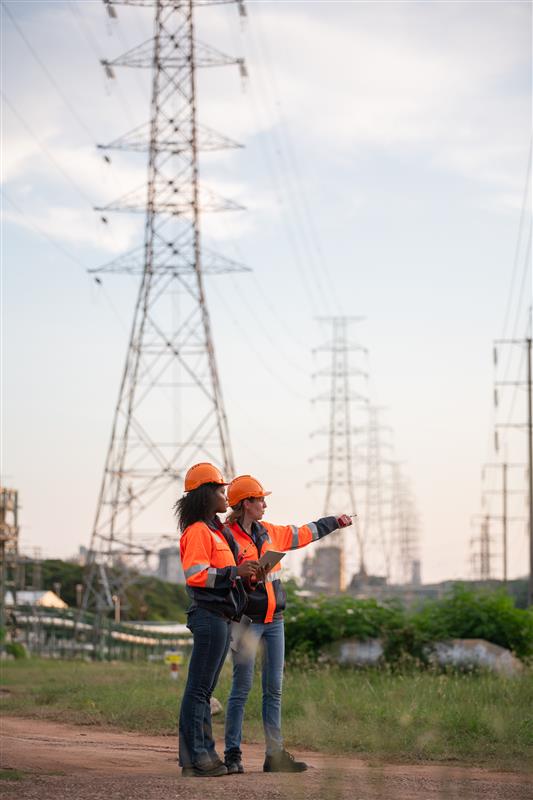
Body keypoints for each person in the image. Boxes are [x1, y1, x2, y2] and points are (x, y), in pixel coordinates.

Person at [223, 474, 352, 774]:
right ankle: (232, 755)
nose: (265, 504)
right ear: (245, 504)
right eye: (259, 500)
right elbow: (222, 574)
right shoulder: (226, 538)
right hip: (243, 622)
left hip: (274, 622)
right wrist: (241, 574)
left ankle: (275, 756)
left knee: (274, 690)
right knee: (241, 689)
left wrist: (334, 521)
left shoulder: (268, 532)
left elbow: (303, 533)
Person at [176, 463, 260, 778]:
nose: (226, 497)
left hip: (221, 617)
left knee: (204, 689)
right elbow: (197, 575)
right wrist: (233, 572)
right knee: (199, 690)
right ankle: (197, 758)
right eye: (222, 491)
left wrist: (246, 575)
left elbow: (223, 574)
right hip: (208, 617)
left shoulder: (216, 532)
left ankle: (202, 757)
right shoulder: (198, 531)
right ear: (207, 495)